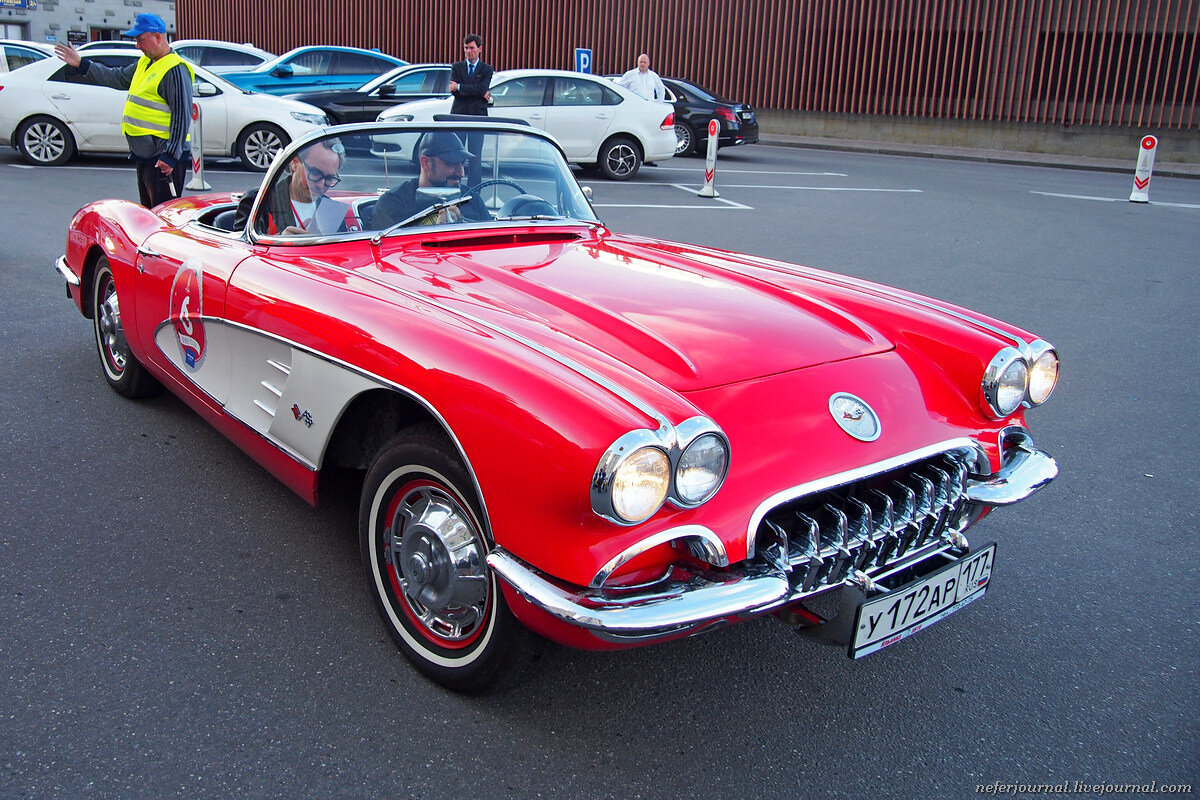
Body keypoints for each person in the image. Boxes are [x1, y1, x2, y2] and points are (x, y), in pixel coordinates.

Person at [54, 13, 193, 208]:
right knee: (149, 212)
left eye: (140, 40)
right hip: (148, 153)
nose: (137, 45)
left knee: (162, 214)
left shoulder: (174, 70)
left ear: (157, 37)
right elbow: (117, 78)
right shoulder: (146, 63)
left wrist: (170, 155)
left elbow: (181, 116)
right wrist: (82, 64)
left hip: (162, 157)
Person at [233, 139, 357, 235]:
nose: (321, 184)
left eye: (329, 178)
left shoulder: (331, 210)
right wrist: (279, 242)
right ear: (295, 163)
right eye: (315, 173)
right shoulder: (259, 202)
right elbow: (240, 251)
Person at [371, 132, 488, 229]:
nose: (461, 173)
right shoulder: (393, 203)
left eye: (462, 164)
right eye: (451, 163)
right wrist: (436, 231)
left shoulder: (472, 199)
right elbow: (390, 247)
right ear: (426, 163)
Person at [448, 33, 493, 116]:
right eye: (466, 48)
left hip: (478, 114)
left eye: (472, 48)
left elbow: (482, 89)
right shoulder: (456, 67)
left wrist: (459, 87)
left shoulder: (487, 69)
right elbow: (454, 92)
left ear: (480, 49)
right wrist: (479, 93)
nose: (468, 51)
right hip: (459, 113)